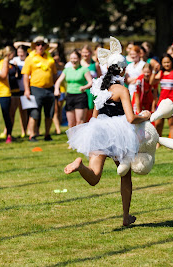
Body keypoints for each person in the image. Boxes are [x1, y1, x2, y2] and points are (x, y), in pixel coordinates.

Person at [64, 37, 151, 227]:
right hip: (120, 133)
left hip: (99, 129)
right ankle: (126, 217)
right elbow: (130, 118)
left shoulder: (98, 87)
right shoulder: (122, 89)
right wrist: (144, 116)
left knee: (94, 177)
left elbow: (94, 116)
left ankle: (80, 167)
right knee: (125, 176)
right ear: (122, 70)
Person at [21, 36, 57, 142]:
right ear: (34, 46)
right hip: (36, 88)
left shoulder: (50, 59)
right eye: (38, 44)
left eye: (42, 44)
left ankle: (47, 134)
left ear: (45, 46)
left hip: (49, 88)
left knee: (49, 113)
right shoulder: (30, 58)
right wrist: (27, 90)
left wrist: (56, 87)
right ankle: (32, 135)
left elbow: (54, 74)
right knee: (35, 113)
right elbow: (25, 76)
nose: (40, 46)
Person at [54, 50, 92, 128]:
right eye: (71, 58)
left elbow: (91, 82)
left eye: (75, 58)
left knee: (80, 122)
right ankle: (72, 140)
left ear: (79, 59)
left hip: (80, 97)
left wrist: (84, 87)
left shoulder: (84, 70)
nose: (73, 60)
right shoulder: (67, 70)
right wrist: (56, 90)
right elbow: (58, 81)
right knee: (71, 123)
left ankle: (80, 140)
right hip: (69, 97)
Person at [151, 54, 173, 139]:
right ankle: (158, 143)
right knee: (158, 124)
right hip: (162, 102)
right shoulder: (161, 73)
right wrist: (154, 71)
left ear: (172, 62)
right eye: (164, 62)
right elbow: (152, 82)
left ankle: (172, 144)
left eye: (168, 62)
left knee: (171, 124)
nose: (166, 64)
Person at [0, 47, 13, 143]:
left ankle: (9, 135)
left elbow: (3, 75)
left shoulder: (3, 62)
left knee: (6, 114)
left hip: (4, 93)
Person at [51, 49, 66, 135]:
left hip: (62, 90)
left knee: (59, 110)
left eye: (58, 59)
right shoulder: (52, 66)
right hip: (54, 89)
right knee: (55, 110)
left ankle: (59, 126)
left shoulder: (62, 65)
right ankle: (58, 129)